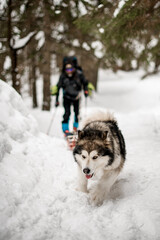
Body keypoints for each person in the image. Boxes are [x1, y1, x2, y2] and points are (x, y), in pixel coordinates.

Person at [55, 56, 88, 137]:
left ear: (73, 69)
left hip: (76, 97)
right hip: (66, 97)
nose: (69, 71)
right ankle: (65, 130)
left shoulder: (79, 74)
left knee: (77, 113)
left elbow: (85, 83)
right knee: (67, 113)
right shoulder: (63, 76)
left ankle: (75, 128)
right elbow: (58, 87)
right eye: (67, 69)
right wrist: (56, 100)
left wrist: (86, 91)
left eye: (70, 69)